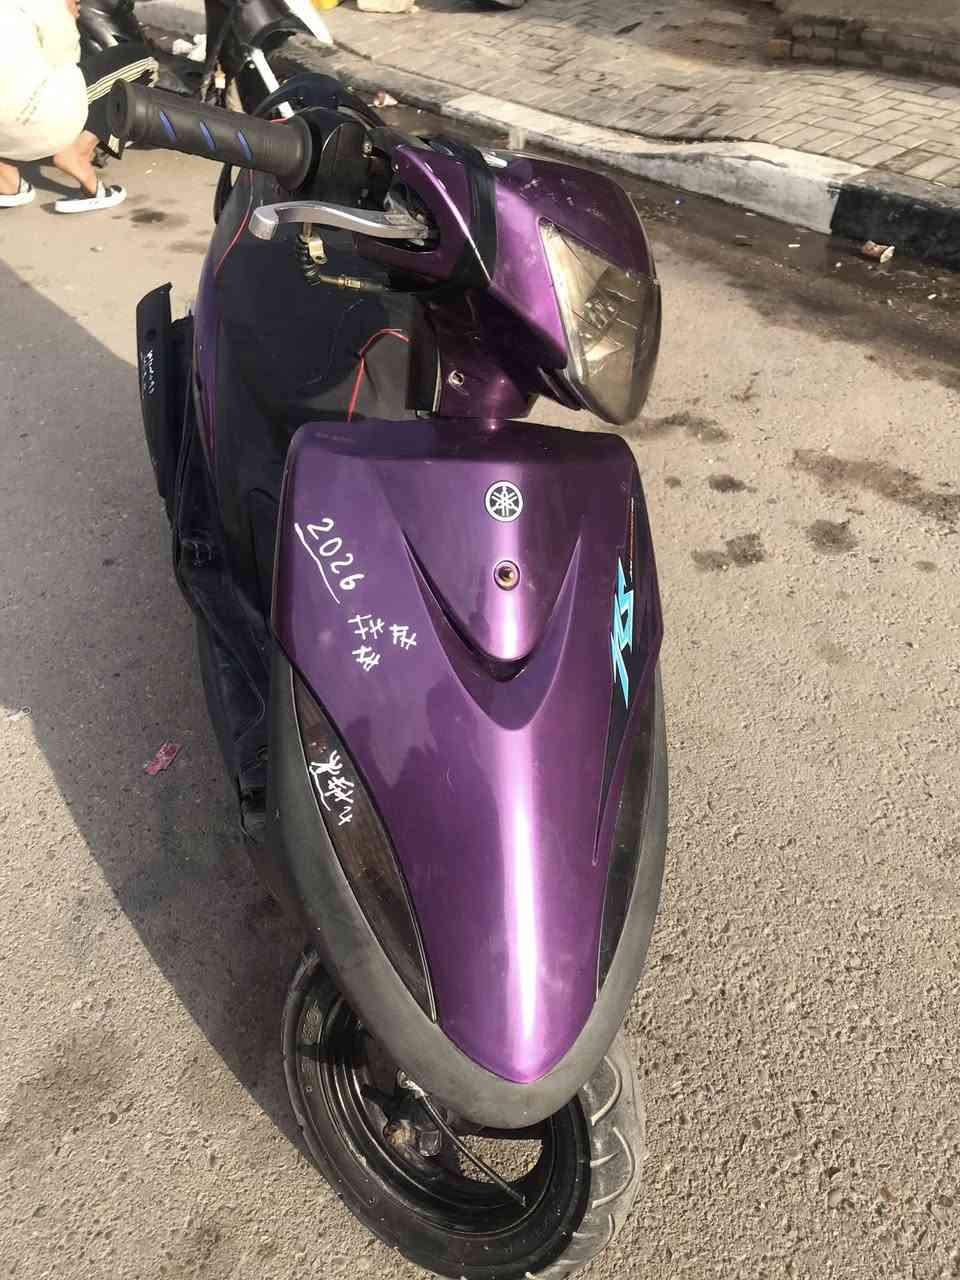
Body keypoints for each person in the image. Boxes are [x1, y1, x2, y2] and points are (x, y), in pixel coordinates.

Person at [0, 0, 157, 213]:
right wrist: (66, 17)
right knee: (143, 60)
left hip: (4, 137)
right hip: (39, 119)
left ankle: (7, 182)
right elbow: (65, 64)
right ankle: (77, 154)